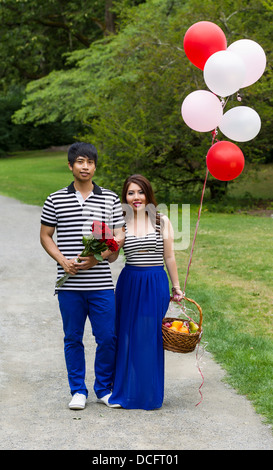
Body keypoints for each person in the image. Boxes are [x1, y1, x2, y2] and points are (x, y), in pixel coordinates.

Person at [40, 142, 124, 410]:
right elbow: (45, 235)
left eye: (89, 162)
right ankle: (78, 390)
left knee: (108, 337)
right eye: (80, 162)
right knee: (73, 337)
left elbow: (116, 241)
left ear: (95, 166)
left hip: (100, 285)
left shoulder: (109, 198)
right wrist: (62, 260)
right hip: (69, 287)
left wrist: (98, 258)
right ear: (70, 165)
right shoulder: (55, 199)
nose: (85, 166)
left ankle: (104, 389)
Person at [109, 174, 183, 410]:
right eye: (131, 193)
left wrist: (176, 287)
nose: (136, 197)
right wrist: (109, 244)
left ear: (148, 194)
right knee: (127, 334)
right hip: (130, 281)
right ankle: (126, 391)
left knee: (149, 336)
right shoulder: (120, 222)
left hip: (154, 282)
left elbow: (169, 256)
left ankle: (149, 394)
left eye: (140, 192)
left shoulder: (161, 221)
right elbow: (110, 258)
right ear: (125, 197)